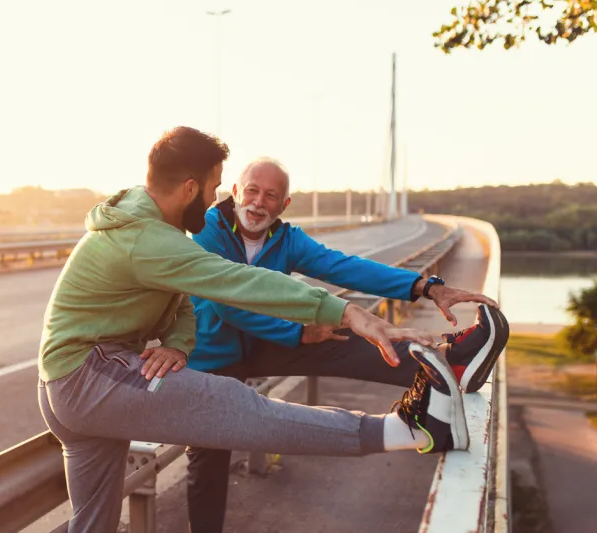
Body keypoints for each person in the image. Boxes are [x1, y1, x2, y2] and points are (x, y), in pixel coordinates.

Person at [36, 127, 506, 533]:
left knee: (93, 524)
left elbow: (182, 303)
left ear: (284, 203)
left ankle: (448, 364)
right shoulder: (161, 238)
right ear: (190, 187)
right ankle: (407, 430)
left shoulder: (159, 229)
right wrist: (342, 314)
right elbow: (233, 285)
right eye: (221, 186)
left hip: (76, 382)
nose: (226, 196)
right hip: (93, 376)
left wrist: (179, 344)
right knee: (238, 411)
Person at [184, 157, 510, 533]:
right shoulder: (208, 231)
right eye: (252, 191)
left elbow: (345, 267)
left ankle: (450, 365)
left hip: (259, 342)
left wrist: (427, 287)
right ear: (236, 192)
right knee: (209, 452)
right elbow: (227, 301)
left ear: (285, 205)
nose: (258, 203)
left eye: (271, 196)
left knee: (341, 334)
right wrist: (297, 332)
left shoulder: (286, 239)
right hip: (210, 355)